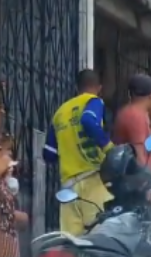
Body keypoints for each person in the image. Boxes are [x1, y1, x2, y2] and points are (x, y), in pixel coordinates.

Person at [43, 68, 113, 235]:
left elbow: (48, 154)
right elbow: (88, 120)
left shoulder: (59, 113)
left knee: (71, 244)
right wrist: (109, 147)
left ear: (77, 87)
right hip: (92, 180)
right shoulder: (94, 102)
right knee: (101, 238)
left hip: (68, 188)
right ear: (99, 88)